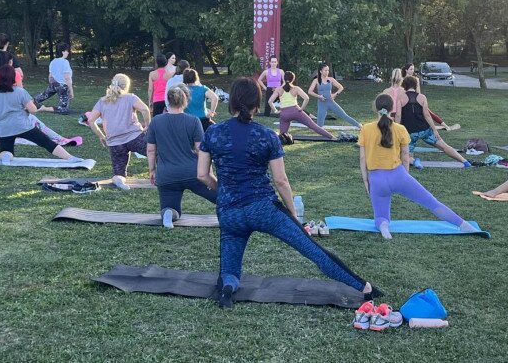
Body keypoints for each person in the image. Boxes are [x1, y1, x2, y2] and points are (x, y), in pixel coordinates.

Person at [197, 77, 379, 308]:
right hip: (264, 209)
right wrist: (293, 214)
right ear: (256, 104)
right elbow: (281, 180)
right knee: (312, 249)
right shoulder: (266, 135)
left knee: (229, 268)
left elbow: (202, 175)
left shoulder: (213, 133)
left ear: (231, 102)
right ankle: (364, 287)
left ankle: (228, 286)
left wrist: (223, 191)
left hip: (230, 212)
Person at [359, 94, 478, 239]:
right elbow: (405, 156)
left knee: (381, 216)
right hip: (398, 175)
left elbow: (363, 158)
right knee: (431, 202)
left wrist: (366, 181)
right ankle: (463, 225)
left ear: (375, 108)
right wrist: (405, 176)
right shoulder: (400, 129)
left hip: (376, 178)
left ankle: (384, 227)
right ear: (392, 109)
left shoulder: (366, 129)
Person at [147, 84, 217, 228]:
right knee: (220, 196)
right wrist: (209, 172)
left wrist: (152, 171)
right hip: (192, 172)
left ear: (168, 101)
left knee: (171, 209)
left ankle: (168, 214)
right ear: (185, 101)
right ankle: (231, 212)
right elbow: (200, 150)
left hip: (166, 175)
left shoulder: (156, 121)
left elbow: (151, 150)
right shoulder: (193, 121)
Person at [0, 65, 81, 163]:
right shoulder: (20, 92)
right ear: (13, 77)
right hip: (23, 126)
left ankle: (6, 156)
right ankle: (69, 157)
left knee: (5, 150)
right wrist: (37, 108)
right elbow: (33, 110)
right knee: (46, 142)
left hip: (3, 129)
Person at [87, 74, 151, 190]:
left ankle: (120, 181)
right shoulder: (130, 97)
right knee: (158, 155)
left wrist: (101, 136)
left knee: (118, 173)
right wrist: (148, 125)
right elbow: (145, 109)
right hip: (135, 137)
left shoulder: (102, 101)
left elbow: (91, 120)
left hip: (115, 143)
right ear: (126, 86)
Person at [399, 76, 469, 169]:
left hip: (410, 133)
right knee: (444, 146)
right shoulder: (422, 97)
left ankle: (415, 161)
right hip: (425, 130)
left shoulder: (401, 98)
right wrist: (435, 130)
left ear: (404, 85)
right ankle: (465, 162)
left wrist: (397, 130)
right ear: (415, 85)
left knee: (405, 155)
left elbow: (398, 116)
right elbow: (427, 115)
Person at [268, 71, 333, 139]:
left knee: (282, 135)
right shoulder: (296, 88)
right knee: (313, 126)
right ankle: (331, 137)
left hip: (284, 113)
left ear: (283, 79)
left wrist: (275, 110)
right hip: (296, 111)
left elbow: (270, 101)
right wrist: (301, 108)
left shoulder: (278, 89)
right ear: (293, 79)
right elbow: (306, 98)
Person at [307, 63, 361, 129]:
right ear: (321, 71)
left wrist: (335, 94)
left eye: (328, 70)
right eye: (325, 70)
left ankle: (358, 125)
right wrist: (319, 96)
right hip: (322, 103)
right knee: (319, 125)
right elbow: (310, 91)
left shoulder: (331, 79)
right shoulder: (316, 80)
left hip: (331, 102)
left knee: (344, 115)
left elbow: (341, 87)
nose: (327, 72)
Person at [402, 63, 450, 130]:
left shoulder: (416, 79)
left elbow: (418, 92)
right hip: (405, 99)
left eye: (413, 69)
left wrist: (418, 100)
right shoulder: (402, 79)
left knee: (428, 112)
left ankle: (445, 125)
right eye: (411, 69)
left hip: (414, 98)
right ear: (406, 70)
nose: (412, 70)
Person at [34, 42, 74, 114]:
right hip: (63, 86)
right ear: (63, 52)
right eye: (67, 51)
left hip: (53, 84)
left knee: (43, 96)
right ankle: (44, 108)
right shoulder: (65, 62)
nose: (68, 52)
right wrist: (71, 91)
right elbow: (67, 78)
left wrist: (51, 85)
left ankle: (29, 103)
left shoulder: (53, 62)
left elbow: (50, 76)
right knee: (63, 109)